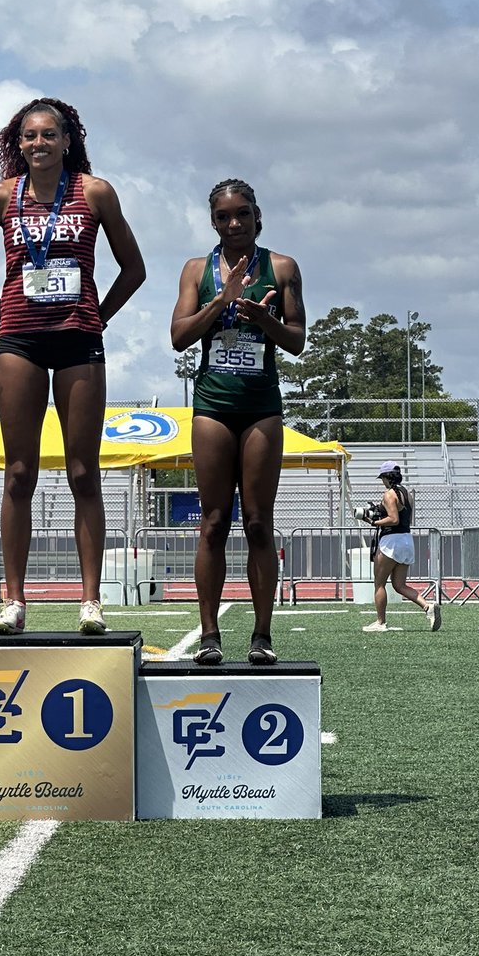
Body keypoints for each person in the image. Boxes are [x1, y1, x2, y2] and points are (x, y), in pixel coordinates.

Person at [0, 98, 146, 635]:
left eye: (47, 135)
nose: (37, 144)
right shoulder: (0, 198)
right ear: (17, 145)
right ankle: (14, 601)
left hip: (79, 342)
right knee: (19, 473)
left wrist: (99, 317)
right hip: (20, 343)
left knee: (83, 472)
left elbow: (133, 268)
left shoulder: (95, 192)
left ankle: (90, 602)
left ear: (67, 141)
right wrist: (7, 313)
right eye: (28, 137)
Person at [170, 179, 305, 665]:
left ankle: (262, 636)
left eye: (242, 214)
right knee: (213, 522)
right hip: (213, 405)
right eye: (225, 216)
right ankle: (209, 636)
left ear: (256, 216)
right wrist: (220, 301)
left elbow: (295, 341)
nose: (234, 223)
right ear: (213, 222)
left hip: (261, 407)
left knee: (258, 523)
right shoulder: (195, 269)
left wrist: (259, 317)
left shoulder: (282, 267)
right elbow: (178, 337)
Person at [362, 461, 441, 633]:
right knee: (399, 585)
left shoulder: (389, 494)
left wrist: (373, 521)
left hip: (391, 541)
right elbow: (403, 518)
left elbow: (393, 519)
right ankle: (428, 607)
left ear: (387, 477)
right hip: (406, 539)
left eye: (382, 477)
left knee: (379, 583)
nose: (382, 481)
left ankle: (380, 622)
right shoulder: (407, 493)